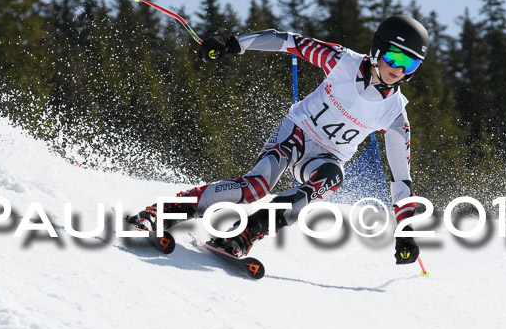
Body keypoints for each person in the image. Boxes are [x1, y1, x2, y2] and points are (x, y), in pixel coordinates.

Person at [130, 15, 427, 265]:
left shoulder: (395, 114)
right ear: (378, 49)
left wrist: (405, 230)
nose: (398, 69)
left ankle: (243, 234)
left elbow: (401, 179)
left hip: (324, 159)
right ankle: (158, 213)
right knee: (256, 187)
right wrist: (233, 44)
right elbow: (289, 41)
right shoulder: (342, 62)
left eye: (410, 65)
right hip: (296, 133)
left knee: (333, 176)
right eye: (395, 57)